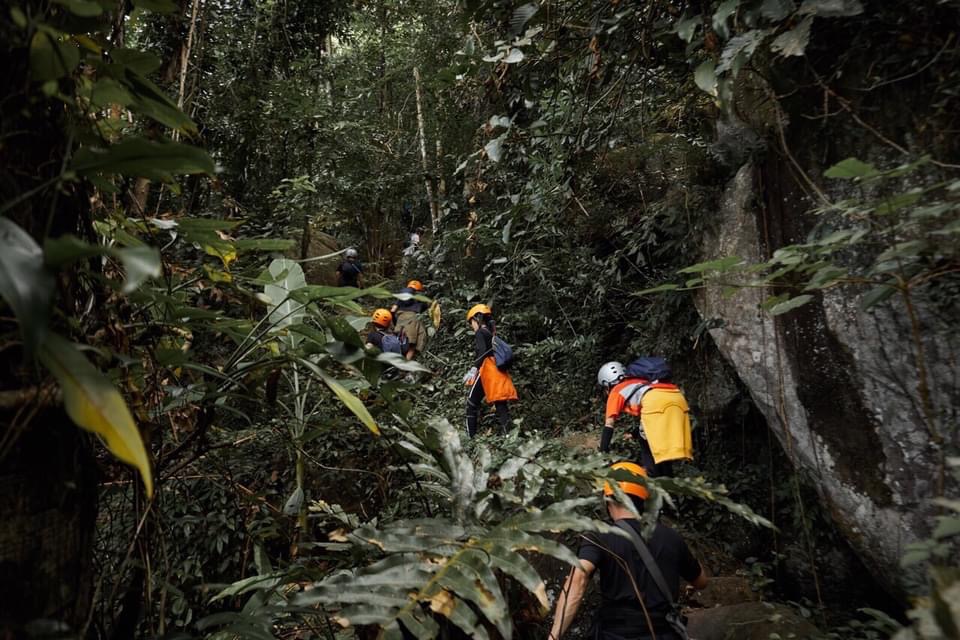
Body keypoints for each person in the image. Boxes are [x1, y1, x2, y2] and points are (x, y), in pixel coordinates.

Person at [548, 461, 708, 640]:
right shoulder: (672, 537)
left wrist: (553, 637)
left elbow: (578, 581)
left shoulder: (600, 536)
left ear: (608, 499)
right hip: (663, 633)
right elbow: (701, 581)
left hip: (615, 634)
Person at [596, 361, 692, 477]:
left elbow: (609, 424)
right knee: (663, 452)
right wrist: (634, 433)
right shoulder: (640, 382)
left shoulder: (616, 391)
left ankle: (653, 478)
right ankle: (669, 483)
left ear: (607, 384)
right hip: (677, 397)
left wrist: (603, 453)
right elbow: (649, 421)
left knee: (648, 448)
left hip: (654, 402)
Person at [464, 304, 518, 437]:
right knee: (500, 403)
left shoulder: (480, 333)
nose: (472, 326)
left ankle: (470, 438)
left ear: (477, 319)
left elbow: (482, 351)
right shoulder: (490, 332)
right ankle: (509, 436)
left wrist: (474, 369)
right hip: (497, 370)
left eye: (471, 322)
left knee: (471, 403)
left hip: (487, 370)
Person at [390, 280, 429, 361]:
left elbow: (393, 310)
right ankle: (405, 367)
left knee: (398, 342)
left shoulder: (402, 296)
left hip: (400, 318)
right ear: (419, 289)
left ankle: (394, 364)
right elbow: (427, 310)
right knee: (412, 346)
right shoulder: (420, 297)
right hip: (413, 319)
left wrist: (395, 321)